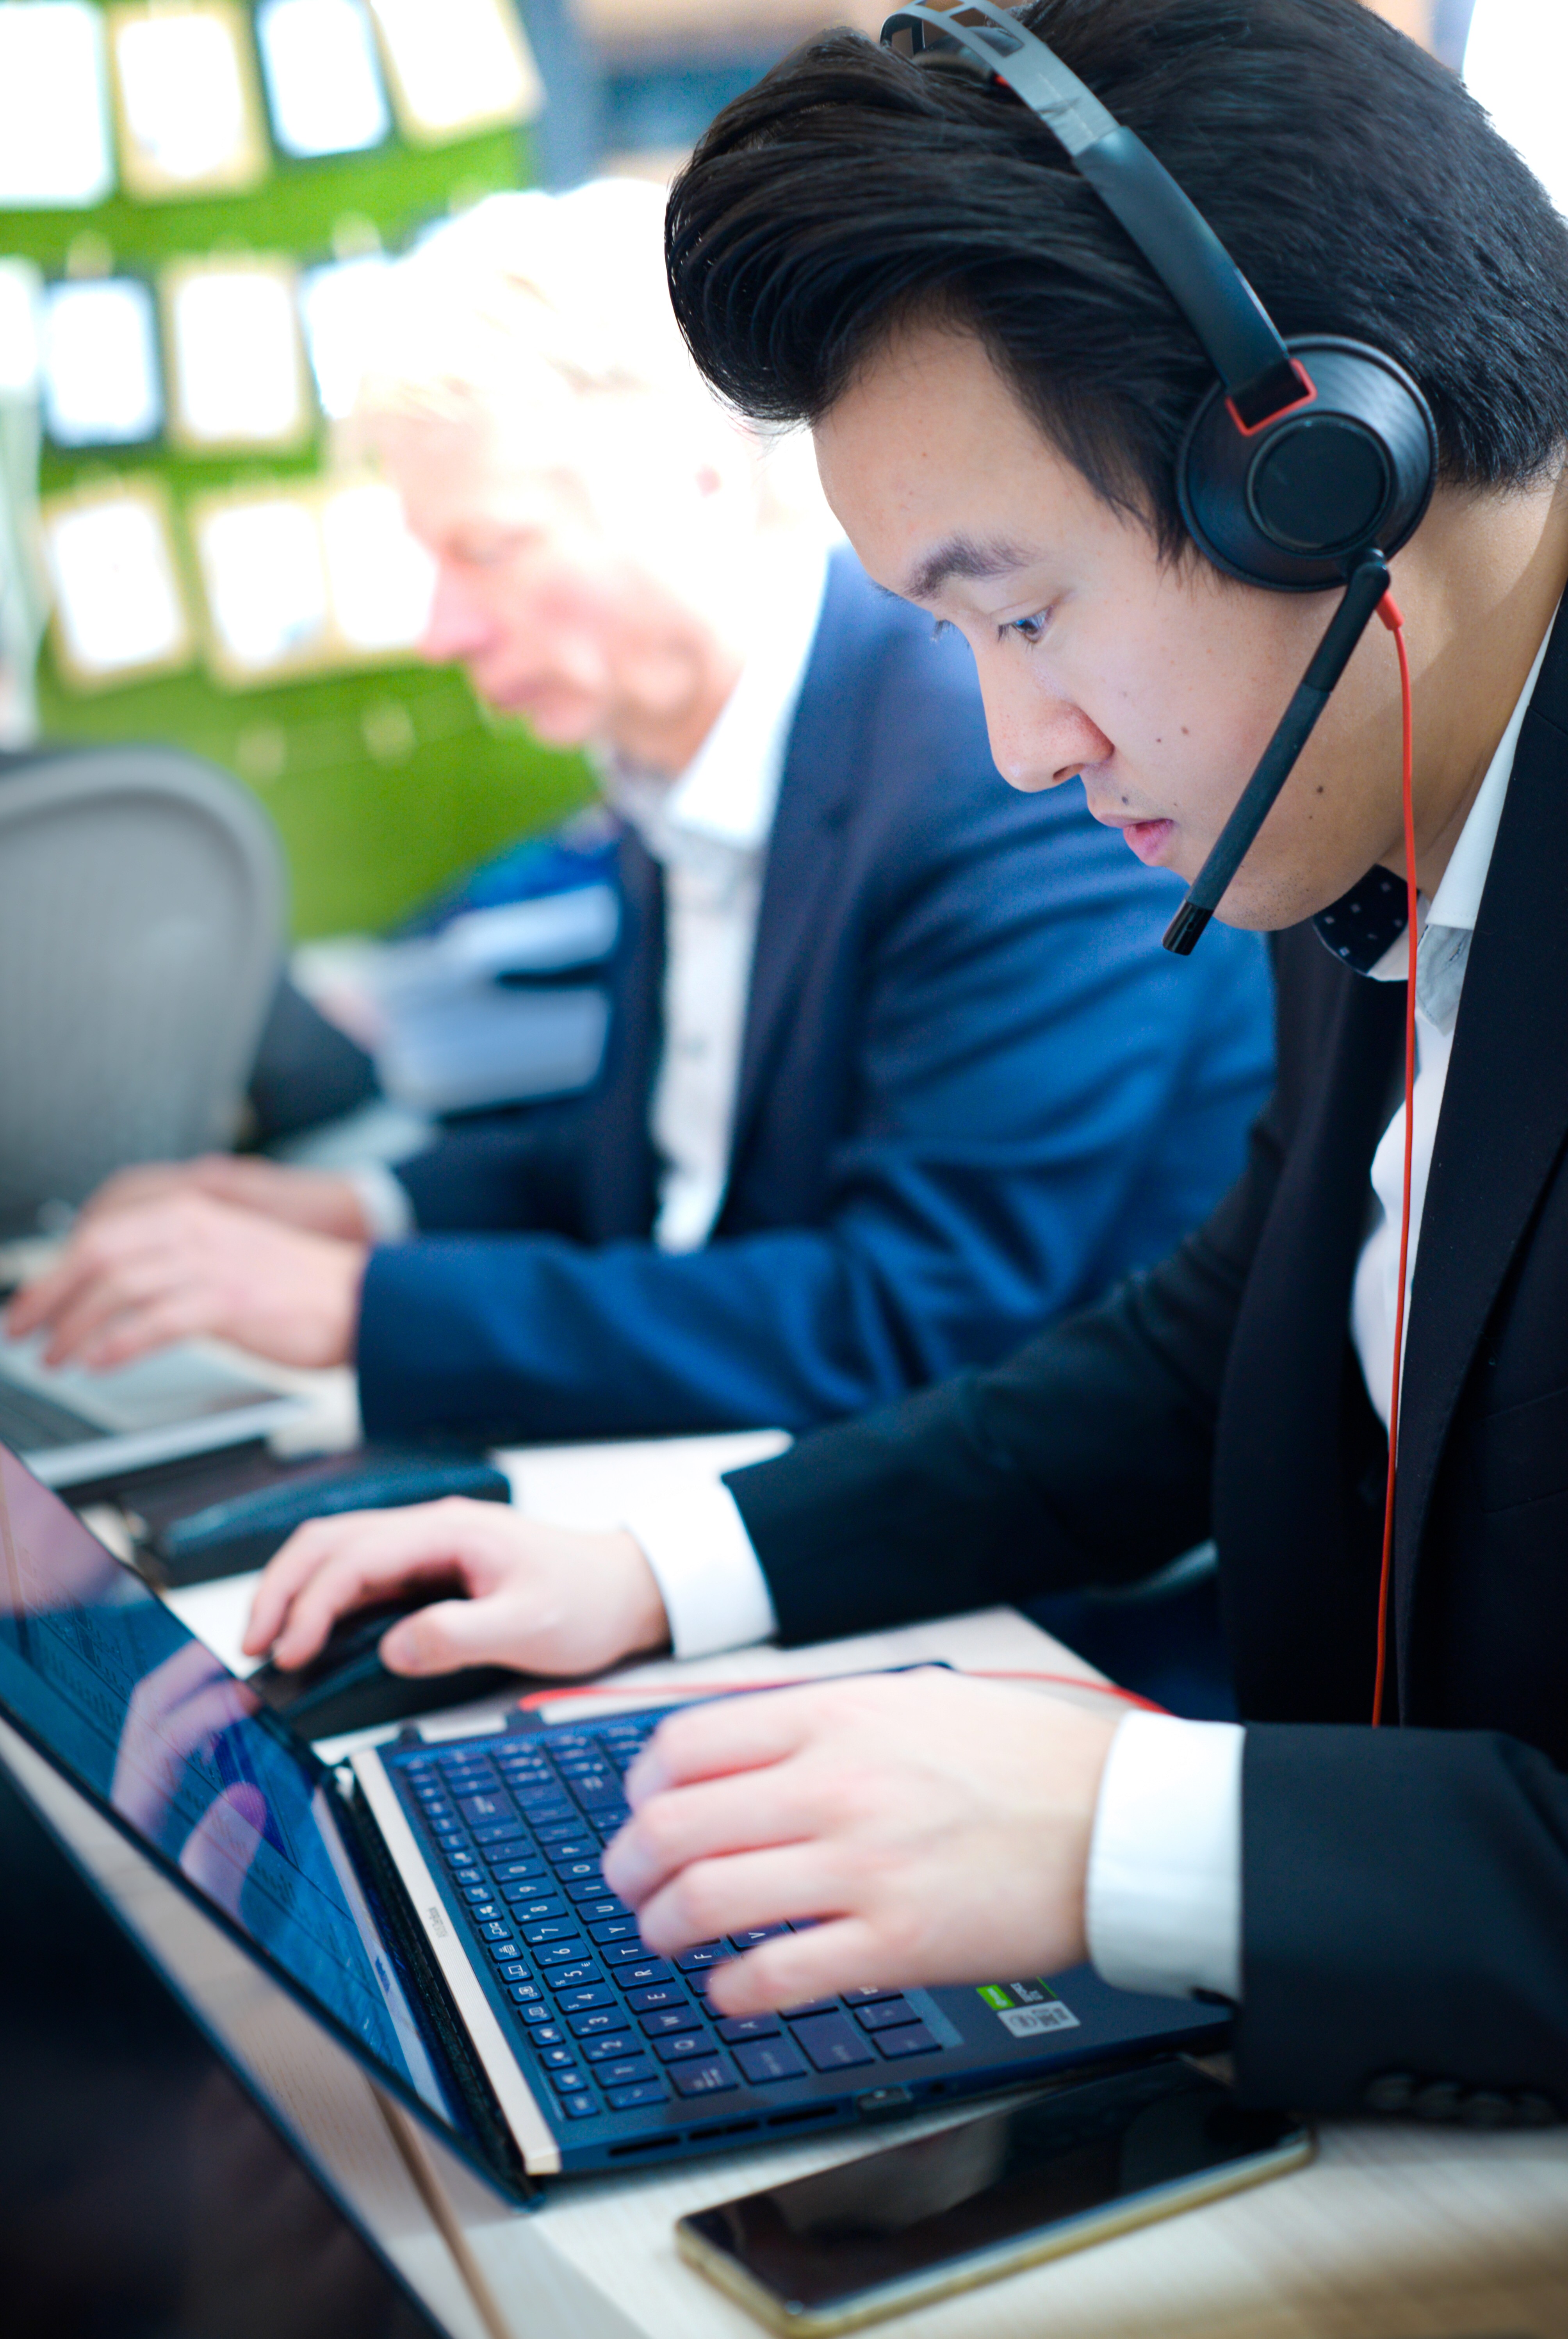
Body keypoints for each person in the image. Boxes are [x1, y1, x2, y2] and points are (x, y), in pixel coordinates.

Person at [244, 0, 1568, 2120]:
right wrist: (674, 1565)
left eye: (1022, 614)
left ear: (1328, 474)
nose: (1016, 747)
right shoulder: (1376, 780)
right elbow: (1215, 1344)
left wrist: (1133, 1834)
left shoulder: (1328, 751)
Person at [7, 179, 1271, 1453]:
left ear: (700, 480)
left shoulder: (987, 769)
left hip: (1021, 1554)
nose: (440, 628)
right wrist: (353, 1210)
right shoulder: (689, 754)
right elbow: (670, 1170)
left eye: (489, 551)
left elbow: (909, 1312)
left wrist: (351, 1307)